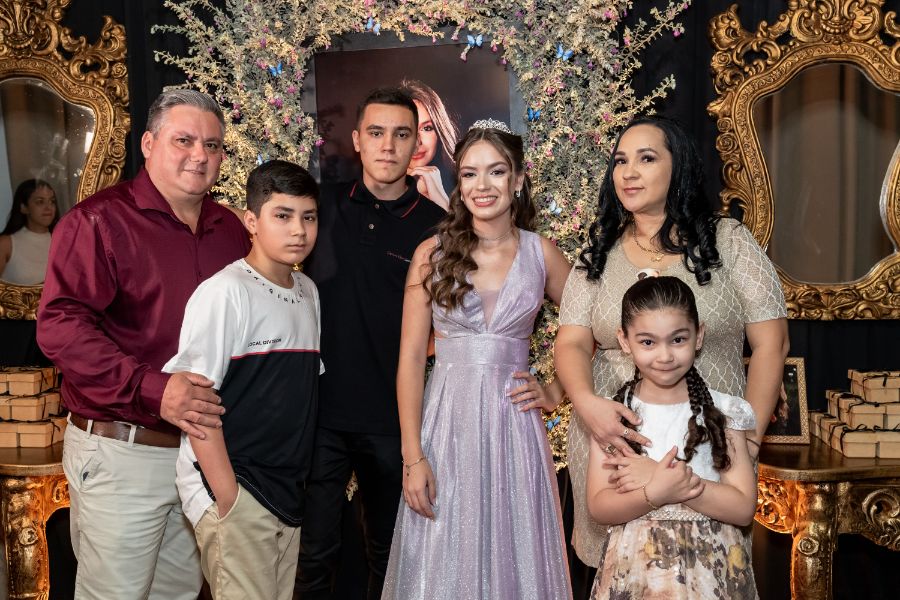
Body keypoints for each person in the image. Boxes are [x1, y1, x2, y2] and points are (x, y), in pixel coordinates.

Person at [37, 89, 250, 599]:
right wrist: (156, 390)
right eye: (184, 140)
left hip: (200, 456)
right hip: (122, 452)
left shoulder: (231, 231)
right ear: (149, 144)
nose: (199, 155)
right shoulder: (98, 222)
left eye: (212, 145)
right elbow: (60, 327)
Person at [554, 115, 788, 572]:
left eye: (646, 159)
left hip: (711, 443)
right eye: (620, 161)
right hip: (617, 443)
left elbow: (771, 343)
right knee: (625, 574)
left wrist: (750, 439)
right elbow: (572, 343)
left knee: (706, 572)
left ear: (677, 165)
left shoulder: (727, 241)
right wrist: (587, 404)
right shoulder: (600, 251)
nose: (628, 172)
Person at [382, 120, 573, 599]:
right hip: (446, 428)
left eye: (496, 172)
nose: (482, 186)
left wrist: (556, 390)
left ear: (518, 179)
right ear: (459, 183)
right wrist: (413, 457)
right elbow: (410, 361)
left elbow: (590, 326)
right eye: (469, 174)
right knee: (444, 557)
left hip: (515, 430)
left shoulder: (542, 254)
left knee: (516, 553)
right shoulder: (431, 254)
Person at [296, 87, 446, 599]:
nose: (388, 145)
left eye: (401, 134)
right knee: (313, 555)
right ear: (357, 140)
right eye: (377, 133)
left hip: (393, 420)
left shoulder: (437, 227)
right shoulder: (319, 207)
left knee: (391, 554)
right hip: (321, 416)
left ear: (416, 144)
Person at [164, 159, 321, 600]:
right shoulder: (224, 292)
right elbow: (195, 404)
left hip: (286, 493)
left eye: (308, 217)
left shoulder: (308, 292)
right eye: (283, 215)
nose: (298, 230)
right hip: (240, 492)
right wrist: (229, 498)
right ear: (252, 221)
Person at [587, 275, 758, 599]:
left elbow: (742, 508)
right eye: (648, 342)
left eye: (677, 339)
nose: (664, 355)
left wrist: (665, 478)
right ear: (625, 340)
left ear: (698, 335)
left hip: (710, 576)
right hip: (637, 576)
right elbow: (599, 506)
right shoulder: (614, 417)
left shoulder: (724, 412)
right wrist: (654, 492)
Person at [400, 79, 459, 210]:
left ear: (439, 130)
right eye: (405, 131)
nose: (418, 142)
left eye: (427, 128)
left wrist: (442, 203)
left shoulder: (465, 185)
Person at [0, 178, 58, 284]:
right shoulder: (6, 244)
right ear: (24, 207)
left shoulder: (63, 242)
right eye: (40, 202)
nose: (48, 207)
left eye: (52, 201)